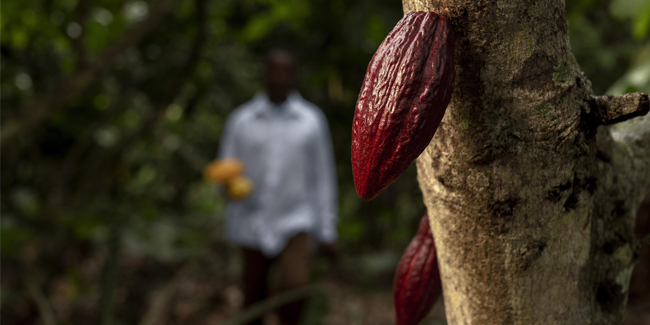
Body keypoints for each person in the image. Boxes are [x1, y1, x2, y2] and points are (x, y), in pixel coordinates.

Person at [217, 47, 338, 325]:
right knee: (254, 296)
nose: (279, 77)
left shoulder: (311, 121)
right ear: (264, 72)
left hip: (296, 220)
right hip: (251, 221)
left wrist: (327, 229)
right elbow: (226, 168)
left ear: (294, 76)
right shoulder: (241, 120)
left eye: (286, 71)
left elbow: (322, 177)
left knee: (294, 293)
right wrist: (226, 188)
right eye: (274, 69)